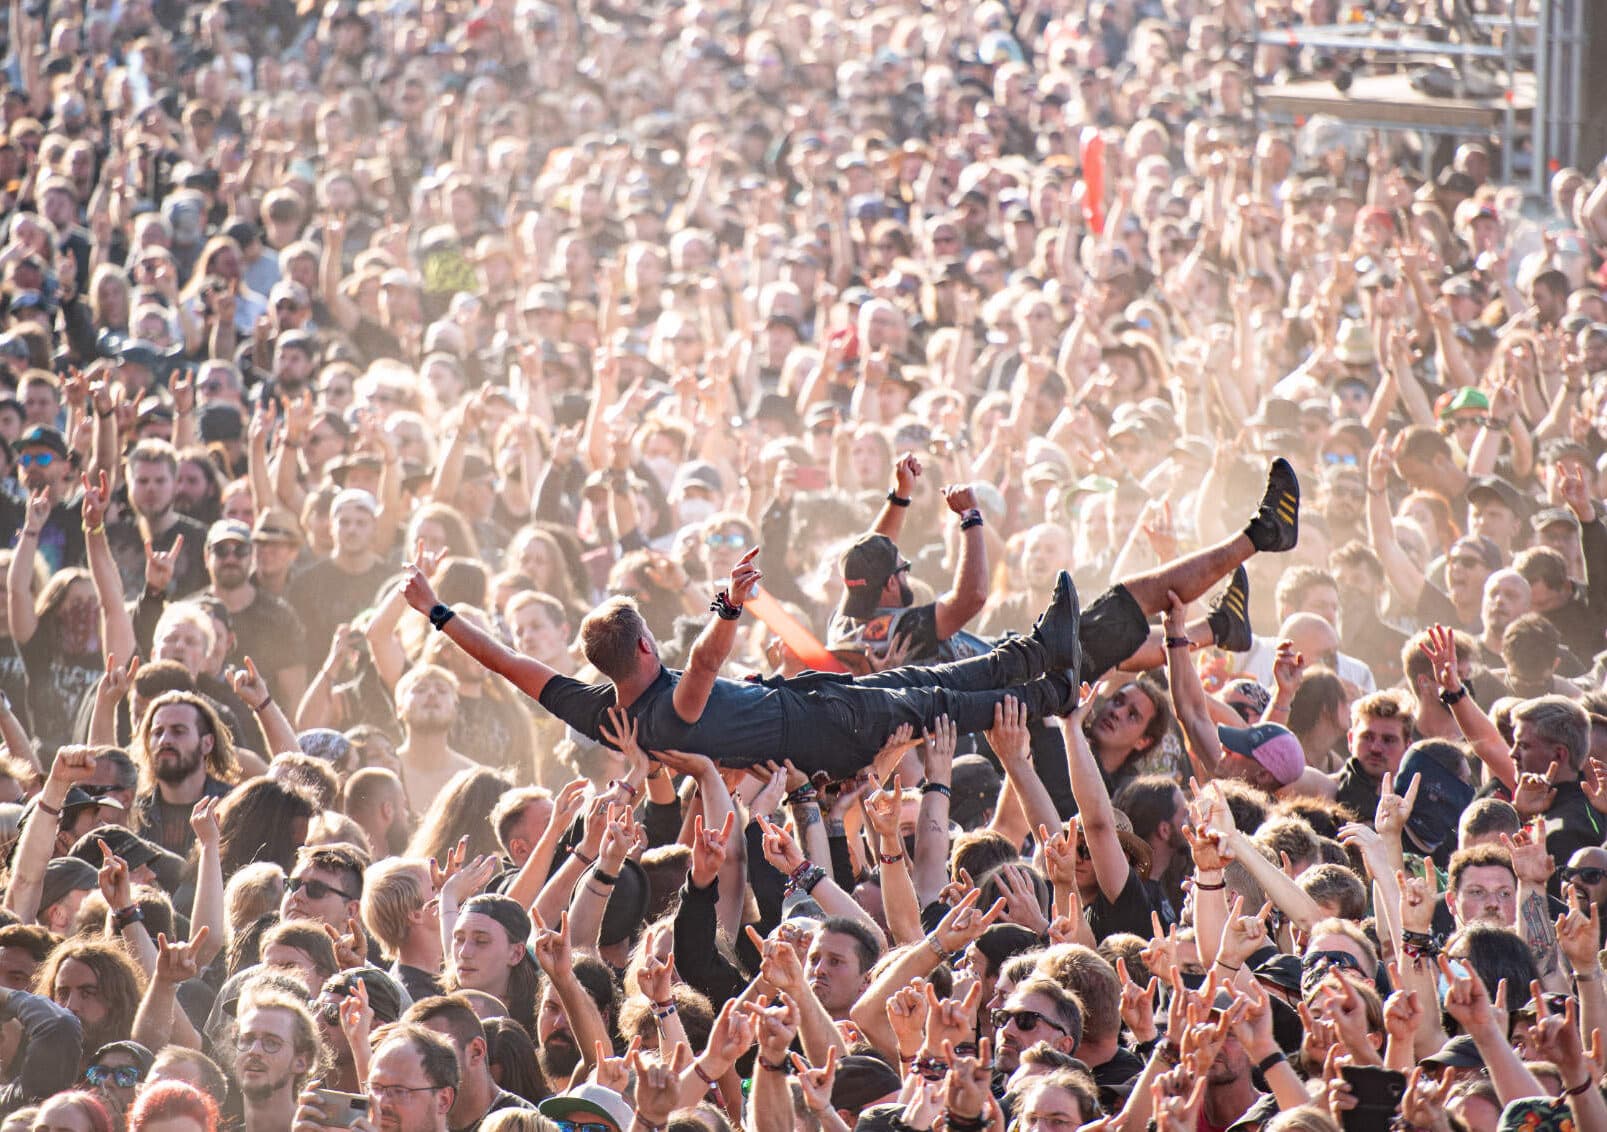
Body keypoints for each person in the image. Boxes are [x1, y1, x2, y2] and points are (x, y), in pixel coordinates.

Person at [403, 462, 1300, 776]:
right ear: (644, 644)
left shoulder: (601, 712)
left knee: (959, 678)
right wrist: (727, 605)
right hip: (824, 725)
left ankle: (1081, 656)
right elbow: (712, 665)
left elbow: (511, 668)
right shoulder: (670, 707)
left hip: (827, 717)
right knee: (964, 690)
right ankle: (1065, 672)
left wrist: (442, 615)